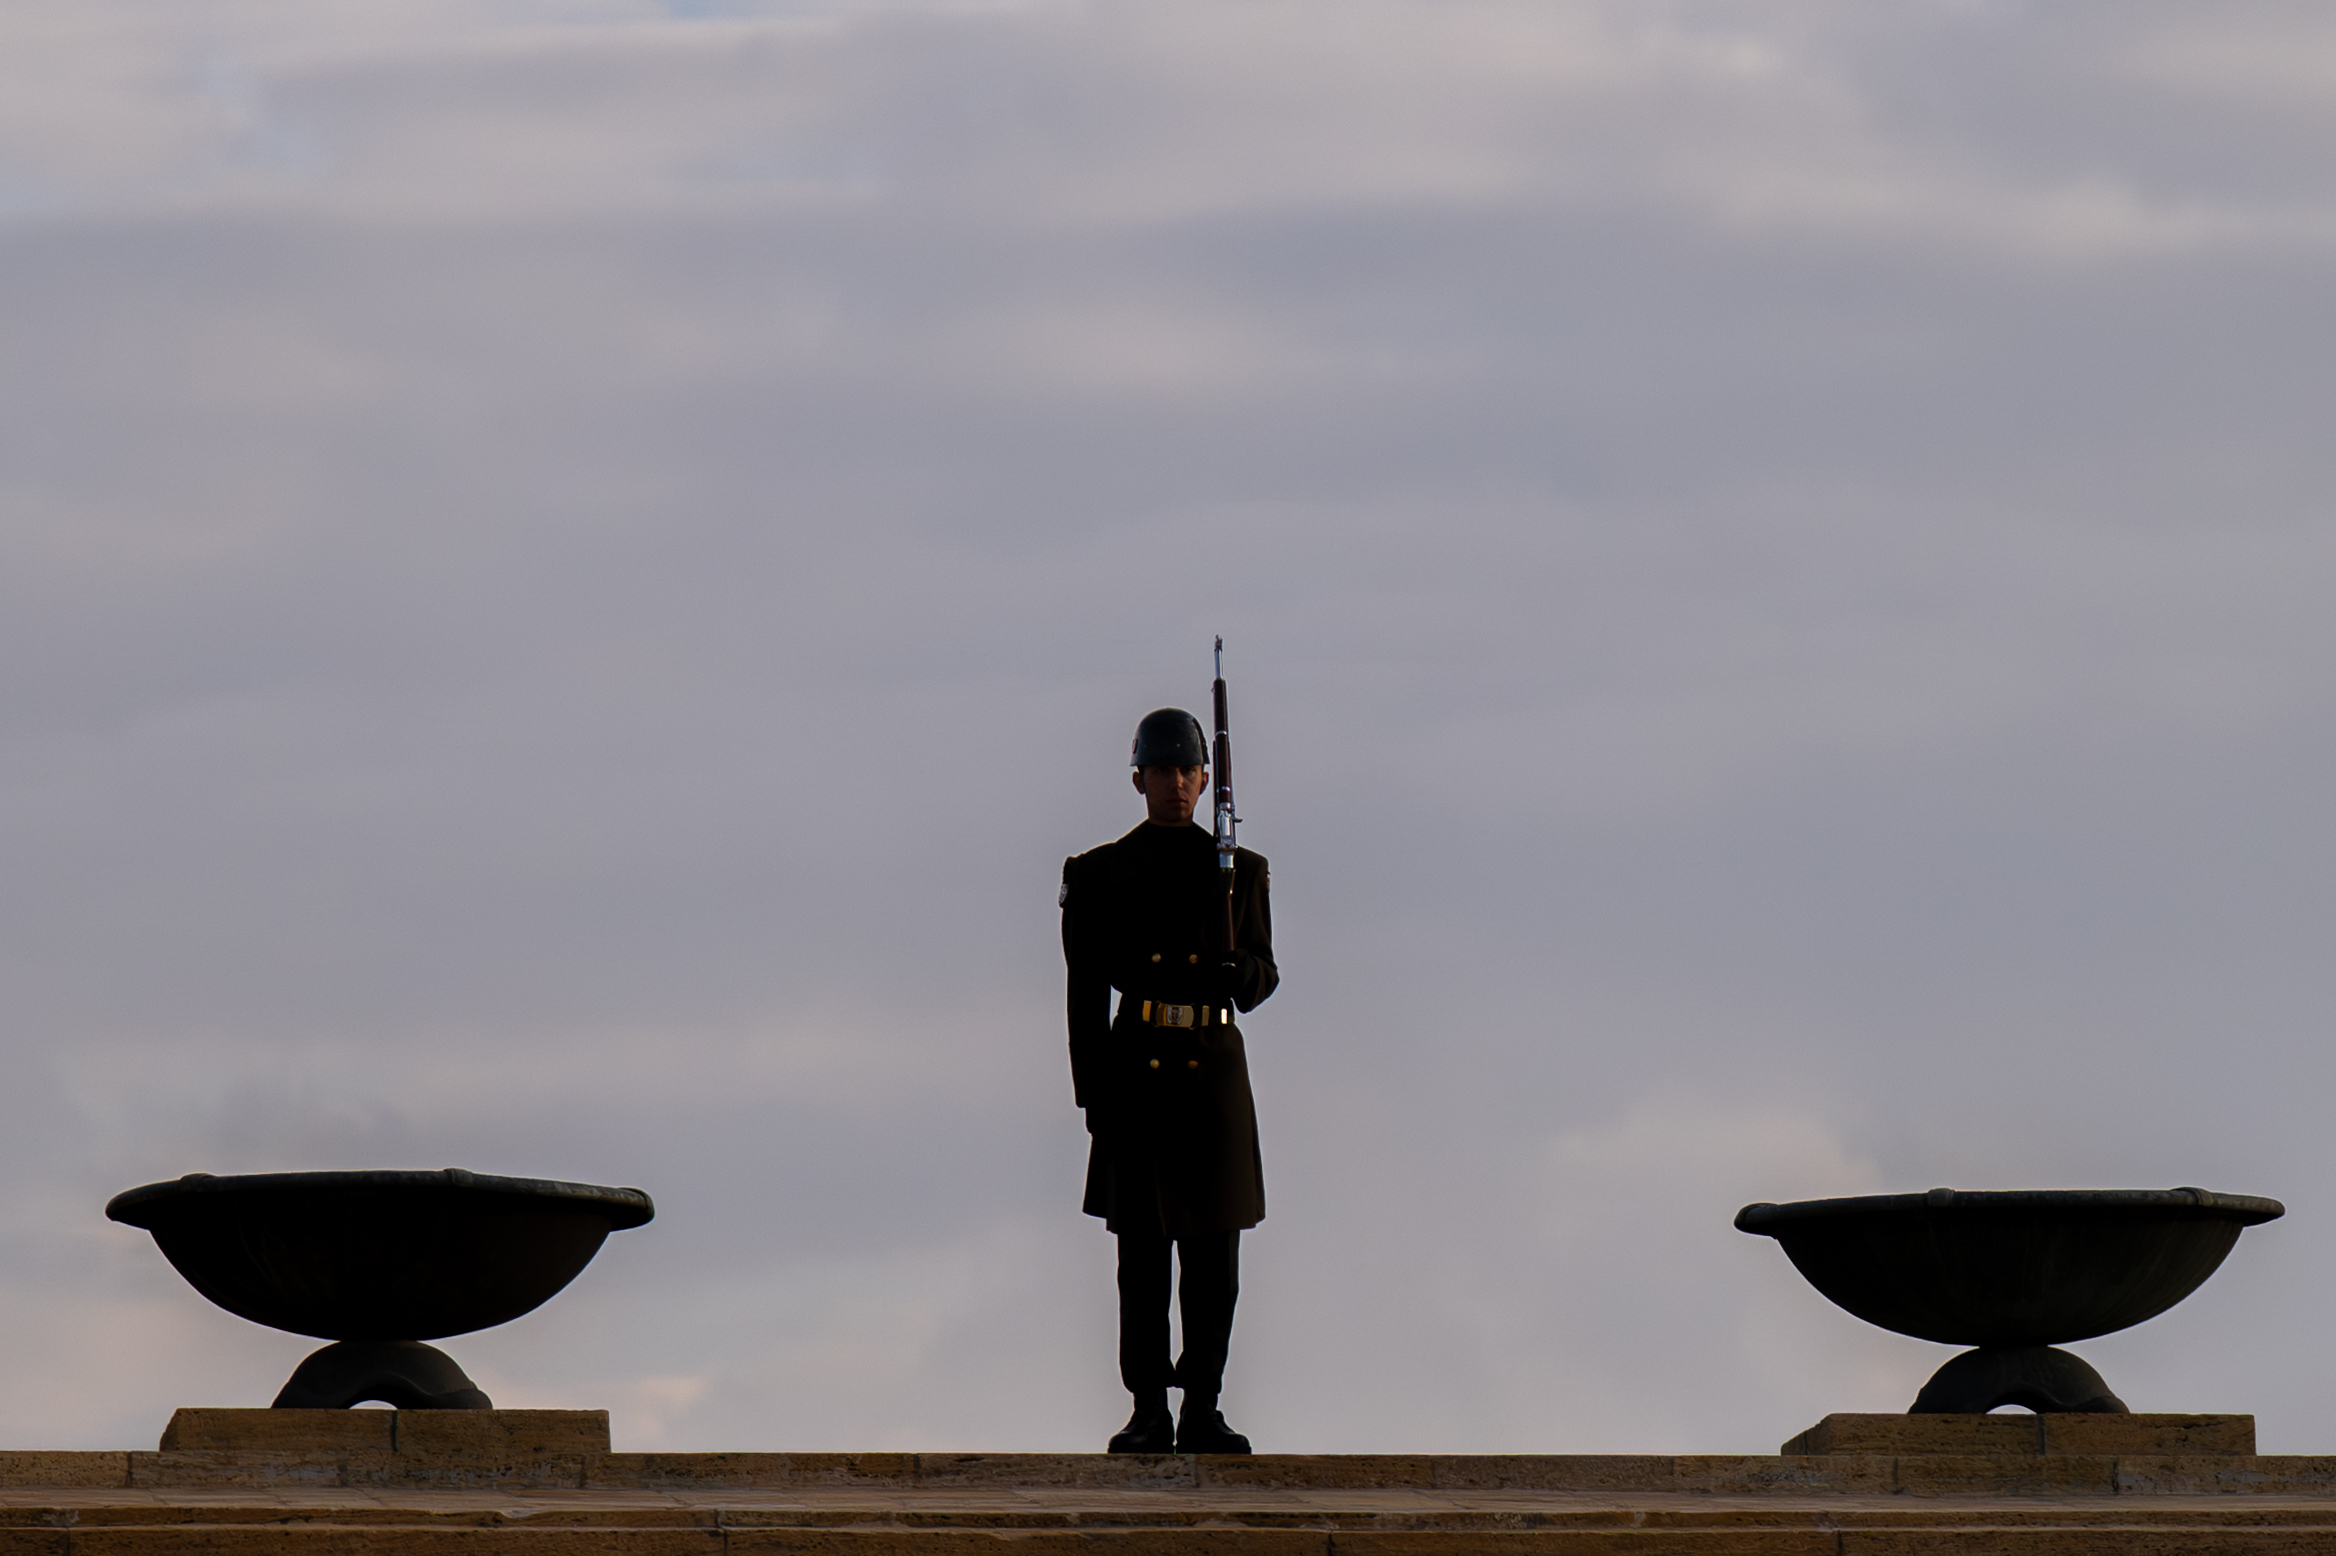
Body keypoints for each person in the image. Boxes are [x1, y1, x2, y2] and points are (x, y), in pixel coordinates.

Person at [1060, 707, 1278, 1455]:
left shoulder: (1240, 871)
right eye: (1163, 771)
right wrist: (1093, 1096)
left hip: (1212, 1075)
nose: (1177, 784)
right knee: (1143, 1260)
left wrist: (1235, 970)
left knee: (1215, 1262)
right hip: (1138, 1073)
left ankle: (1204, 1405)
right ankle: (1149, 1405)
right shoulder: (1098, 875)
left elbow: (1260, 976)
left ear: (1206, 778)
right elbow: (1085, 995)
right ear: (1138, 779)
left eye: (1188, 771)